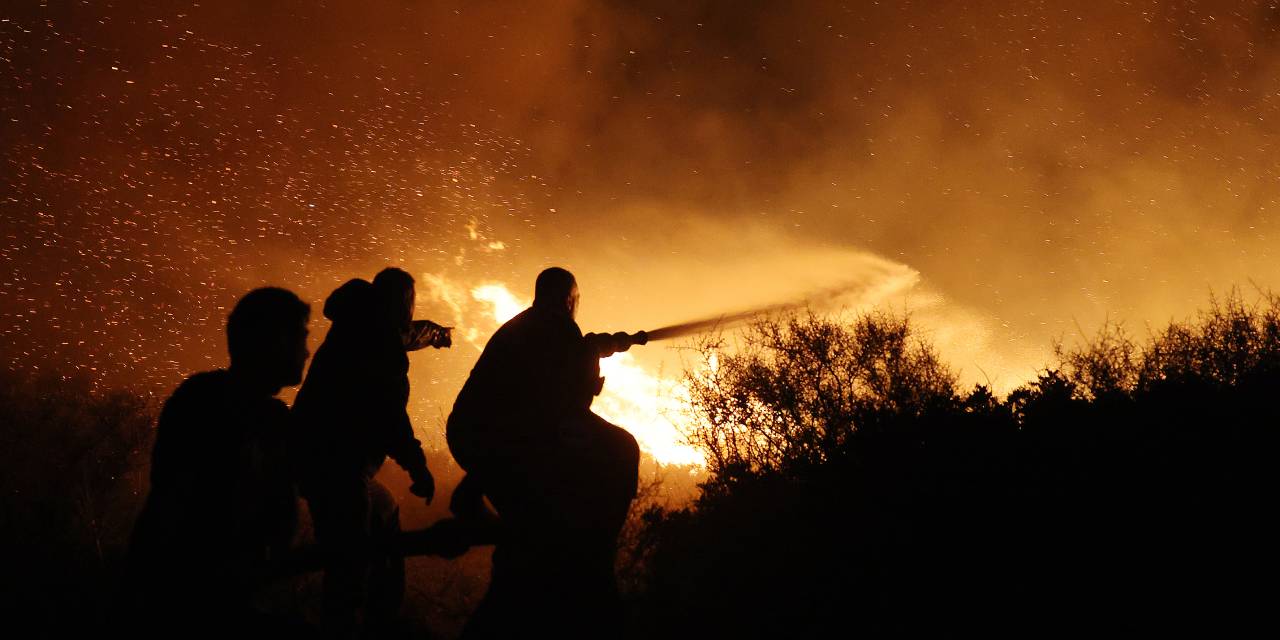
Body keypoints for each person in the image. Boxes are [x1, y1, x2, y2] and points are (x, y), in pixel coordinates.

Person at [446, 267, 643, 638]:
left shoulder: (523, 326)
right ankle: (586, 552)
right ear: (570, 300)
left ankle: (528, 540)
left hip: (477, 435)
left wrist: (592, 348)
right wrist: (588, 354)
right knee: (620, 448)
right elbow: (568, 404)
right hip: (501, 439)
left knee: (527, 540)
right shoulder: (558, 330)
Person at [127, 287, 312, 639]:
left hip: (199, 594)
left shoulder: (213, 400)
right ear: (276, 340)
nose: (306, 350)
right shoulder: (217, 406)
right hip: (185, 601)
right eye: (301, 336)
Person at [292, 267, 449, 639]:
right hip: (337, 467)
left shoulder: (358, 325)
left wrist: (436, 333)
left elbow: (407, 333)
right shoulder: (379, 346)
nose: (412, 310)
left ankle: (379, 620)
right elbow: (389, 417)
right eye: (410, 302)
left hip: (312, 455)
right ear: (401, 303)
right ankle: (350, 627)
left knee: (383, 513)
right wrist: (418, 467)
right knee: (349, 564)